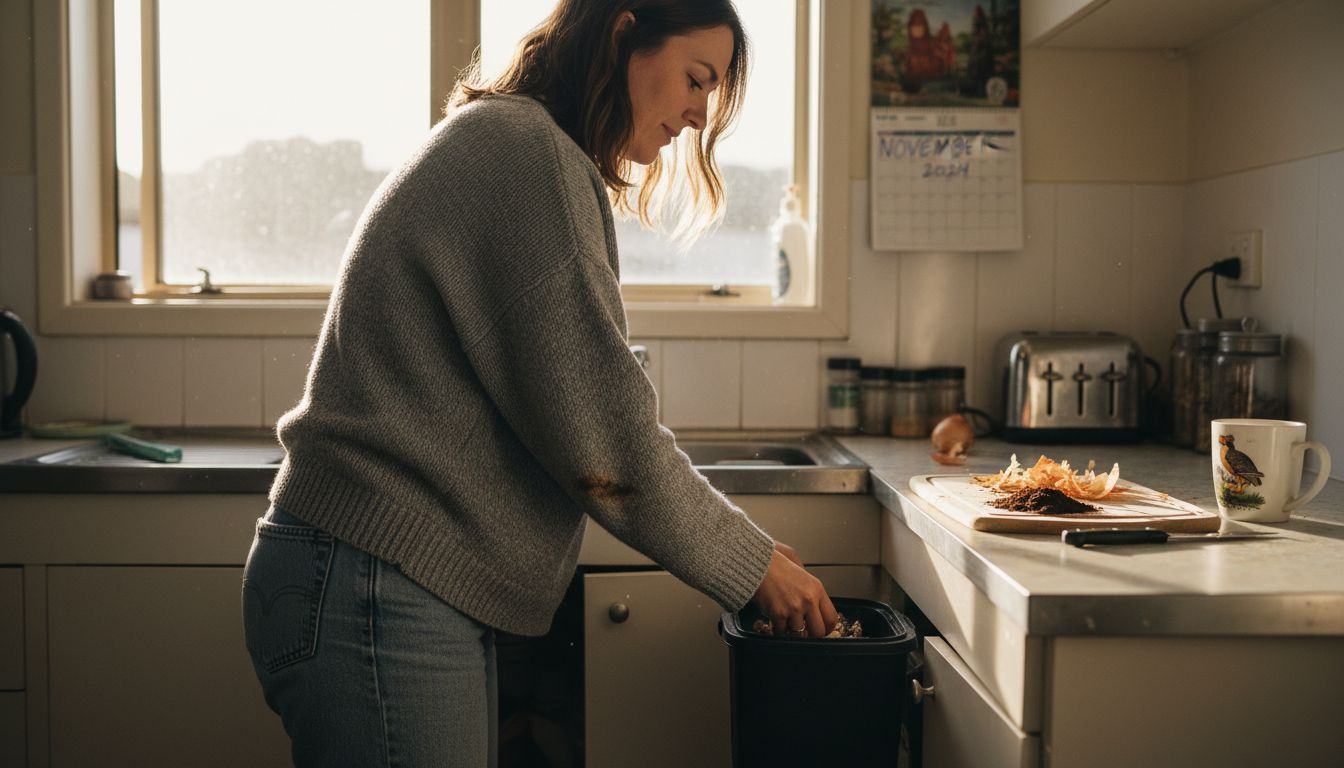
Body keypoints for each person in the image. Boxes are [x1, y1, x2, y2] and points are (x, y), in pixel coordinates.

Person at [241, 1, 838, 765]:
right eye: (696, 79)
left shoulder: (514, 141)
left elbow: (579, 414)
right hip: (373, 587)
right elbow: (607, 440)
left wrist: (755, 557)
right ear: (624, 34)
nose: (698, 114)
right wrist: (752, 566)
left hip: (373, 582)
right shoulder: (529, 156)